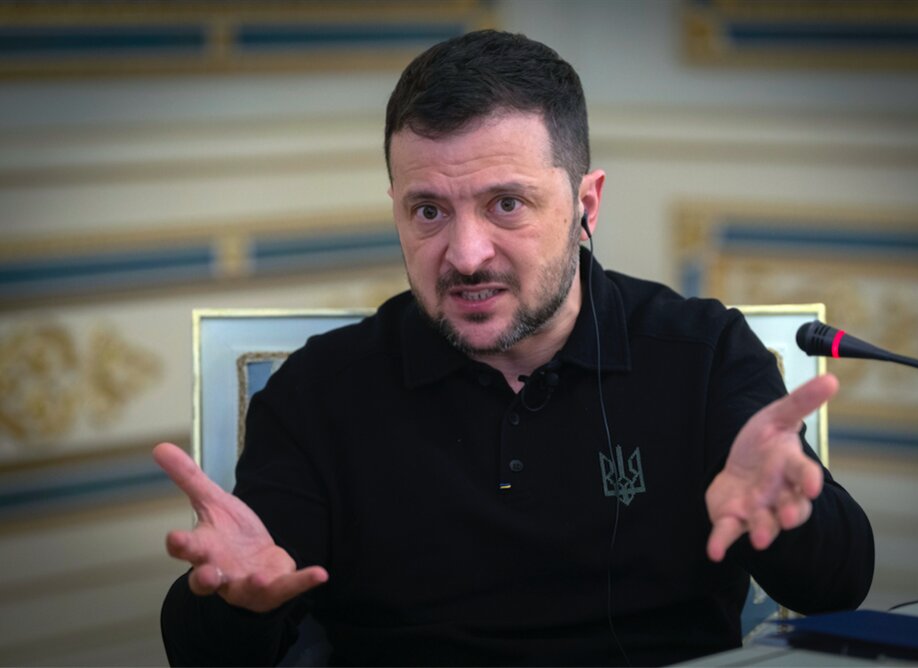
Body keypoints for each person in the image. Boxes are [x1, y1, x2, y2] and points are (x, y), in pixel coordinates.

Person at [156, 29, 874, 666]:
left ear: (585, 206)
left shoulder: (703, 352)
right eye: (428, 210)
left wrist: (790, 521)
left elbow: (835, 588)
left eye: (506, 204)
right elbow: (207, 653)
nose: (466, 255)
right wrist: (234, 602)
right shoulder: (320, 389)